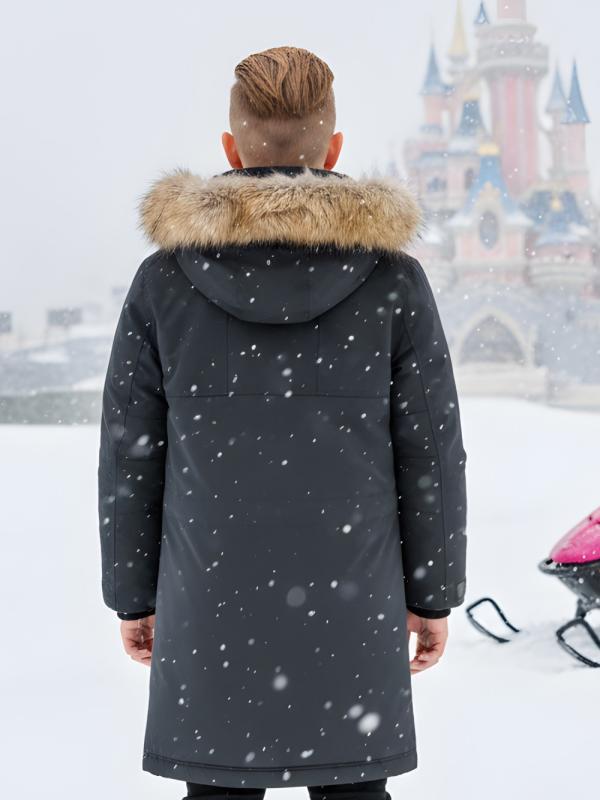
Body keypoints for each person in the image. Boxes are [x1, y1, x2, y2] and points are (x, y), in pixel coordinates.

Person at [98, 46, 468, 800]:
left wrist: (133, 594)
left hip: (208, 600)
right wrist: (433, 592)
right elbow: (430, 451)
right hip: (353, 601)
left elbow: (130, 455)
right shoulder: (393, 281)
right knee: (354, 789)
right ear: (333, 151)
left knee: (217, 788)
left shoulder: (165, 282)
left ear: (231, 150)